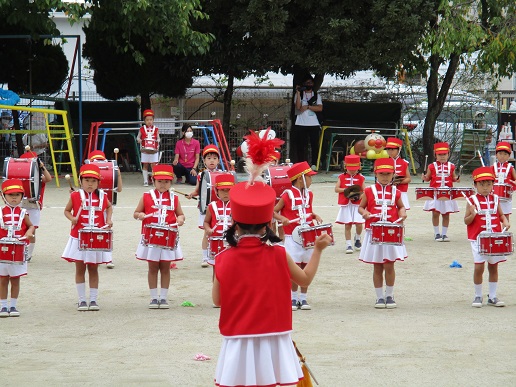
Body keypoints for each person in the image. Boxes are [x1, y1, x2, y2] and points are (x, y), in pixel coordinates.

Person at [212, 145, 332, 387]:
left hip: (237, 339)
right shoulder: (279, 252)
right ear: (268, 222)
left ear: (235, 223)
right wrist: (318, 249)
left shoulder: (222, 258)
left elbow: (218, 301)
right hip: (276, 339)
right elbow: (305, 279)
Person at [62, 164, 113, 311]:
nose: (90, 184)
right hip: (79, 237)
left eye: (93, 181)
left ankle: (93, 299)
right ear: (80, 181)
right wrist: (72, 218)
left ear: (98, 183)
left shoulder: (103, 196)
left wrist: (108, 219)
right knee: (80, 268)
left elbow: (109, 207)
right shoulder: (75, 196)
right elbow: (66, 210)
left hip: (96, 237)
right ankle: (82, 300)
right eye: (86, 180)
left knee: (93, 268)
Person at [358, 158, 407, 309]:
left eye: (388, 174)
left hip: (391, 231)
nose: (385, 177)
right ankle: (379, 297)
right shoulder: (368, 190)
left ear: (393, 174)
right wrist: (365, 213)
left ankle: (390, 295)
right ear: (376, 174)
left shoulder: (396, 192)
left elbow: (401, 207)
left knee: (389, 265)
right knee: (377, 266)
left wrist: (403, 213)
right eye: (381, 174)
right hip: (374, 231)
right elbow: (361, 207)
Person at [134, 164, 185, 309]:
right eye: (160, 181)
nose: (163, 184)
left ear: (171, 182)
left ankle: (163, 298)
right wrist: (141, 215)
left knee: (165, 268)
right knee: (152, 268)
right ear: (153, 180)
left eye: (166, 181)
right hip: (151, 239)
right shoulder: (146, 196)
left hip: (168, 237)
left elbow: (180, 214)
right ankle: (153, 298)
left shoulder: (174, 198)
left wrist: (180, 219)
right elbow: (136, 213)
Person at [273, 161, 322, 311]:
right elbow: (273, 211)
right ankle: (293, 297)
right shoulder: (287, 195)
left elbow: (307, 212)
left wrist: (314, 215)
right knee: (294, 267)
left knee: (306, 266)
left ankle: (304, 298)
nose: (311, 180)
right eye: (309, 177)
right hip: (291, 237)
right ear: (300, 178)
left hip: (308, 235)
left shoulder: (310, 195)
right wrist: (282, 219)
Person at [464, 166, 509, 308]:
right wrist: (472, 214)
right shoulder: (471, 200)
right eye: (481, 184)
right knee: (479, 267)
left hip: (495, 237)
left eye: (488, 184)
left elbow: (501, 215)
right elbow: (466, 221)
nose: (485, 187)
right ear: (475, 185)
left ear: (492, 185)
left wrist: (505, 221)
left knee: (493, 266)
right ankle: (478, 296)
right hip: (478, 239)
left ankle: (493, 296)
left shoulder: (496, 199)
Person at [0, 179, 35, 317]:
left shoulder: (23, 212)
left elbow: (31, 225)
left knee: (15, 279)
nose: (14, 198)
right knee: (2, 279)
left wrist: (29, 232)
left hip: (18, 250)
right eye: (10, 195)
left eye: (17, 195)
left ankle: (13, 305)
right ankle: (3, 306)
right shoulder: (1, 212)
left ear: (22, 196)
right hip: (2, 250)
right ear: (3, 196)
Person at [86, 150, 123, 269]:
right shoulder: (112, 168)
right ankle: (107, 259)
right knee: (105, 231)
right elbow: (119, 189)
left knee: (96, 230)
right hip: (106, 204)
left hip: (99, 204)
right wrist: (118, 173)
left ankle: (98, 257)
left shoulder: (88, 169)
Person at [186, 144, 221, 267]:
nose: (212, 161)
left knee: (220, 232)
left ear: (218, 160)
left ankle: (219, 254)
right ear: (204, 161)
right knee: (207, 233)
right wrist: (191, 194)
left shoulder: (222, 174)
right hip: (206, 208)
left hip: (218, 208)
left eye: (214, 158)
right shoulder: (201, 175)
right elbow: (198, 190)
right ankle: (205, 257)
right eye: (209, 158)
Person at [17, 150, 52, 262]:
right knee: (19, 229)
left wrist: (42, 166)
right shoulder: (20, 175)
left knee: (32, 231)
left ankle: (29, 254)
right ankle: (19, 250)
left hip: (33, 206)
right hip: (21, 205)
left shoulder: (39, 176)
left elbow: (49, 178)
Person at [422, 142, 460, 241]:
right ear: (435, 155)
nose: (442, 157)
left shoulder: (451, 166)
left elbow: (453, 178)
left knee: (446, 214)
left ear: (448, 154)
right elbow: (428, 178)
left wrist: (457, 179)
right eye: (440, 154)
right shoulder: (431, 166)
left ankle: (444, 234)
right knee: (435, 213)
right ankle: (436, 233)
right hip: (435, 192)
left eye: (444, 154)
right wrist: (424, 177)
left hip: (447, 193)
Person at [203, 174, 234, 280]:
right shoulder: (212, 206)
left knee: (232, 271)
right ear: (216, 191)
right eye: (222, 190)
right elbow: (206, 222)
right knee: (216, 271)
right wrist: (207, 229)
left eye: (228, 190)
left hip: (232, 243)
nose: (226, 193)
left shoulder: (237, 205)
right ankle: (217, 295)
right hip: (216, 242)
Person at [335, 154, 365, 254]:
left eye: (355, 169)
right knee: (347, 225)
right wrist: (347, 190)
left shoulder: (361, 178)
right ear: (345, 167)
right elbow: (336, 189)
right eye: (350, 169)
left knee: (359, 223)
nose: (352, 171)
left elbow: (364, 191)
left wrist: (359, 195)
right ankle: (348, 244)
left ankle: (357, 238)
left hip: (357, 204)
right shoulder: (341, 177)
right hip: (346, 203)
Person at [293, 75, 323, 168]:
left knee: (314, 144)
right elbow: (298, 107)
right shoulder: (300, 95)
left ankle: (314, 163)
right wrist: (298, 93)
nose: (308, 85)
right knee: (301, 145)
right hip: (301, 123)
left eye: (310, 83)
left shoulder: (316, 95)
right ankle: (302, 163)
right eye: (307, 83)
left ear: (313, 84)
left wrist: (308, 107)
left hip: (313, 124)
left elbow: (319, 108)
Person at [491, 142, 516, 221]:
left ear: (509, 156)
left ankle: (505, 231)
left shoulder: (511, 168)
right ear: (496, 155)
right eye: (500, 153)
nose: (502, 156)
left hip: (506, 196)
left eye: (505, 154)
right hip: (494, 195)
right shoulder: (492, 167)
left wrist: (512, 183)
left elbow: (515, 180)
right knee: (494, 214)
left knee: (506, 215)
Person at [385, 137, 411, 210]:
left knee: (401, 213)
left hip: (401, 191)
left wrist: (399, 181)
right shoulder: (384, 163)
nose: (390, 151)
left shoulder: (404, 163)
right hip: (388, 191)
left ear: (399, 149)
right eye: (388, 149)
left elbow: (408, 179)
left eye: (392, 149)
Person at [137, 109, 160, 187]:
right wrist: (139, 140)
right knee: (145, 165)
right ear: (144, 120)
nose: (149, 121)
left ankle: (154, 180)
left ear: (153, 120)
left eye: (151, 119)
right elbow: (138, 138)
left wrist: (158, 140)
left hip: (153, 149)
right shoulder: (142, 129)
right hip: (145, 150)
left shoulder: (156, 129)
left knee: (154, 165)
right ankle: (145, 180)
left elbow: (158, 138)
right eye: (147, 120)